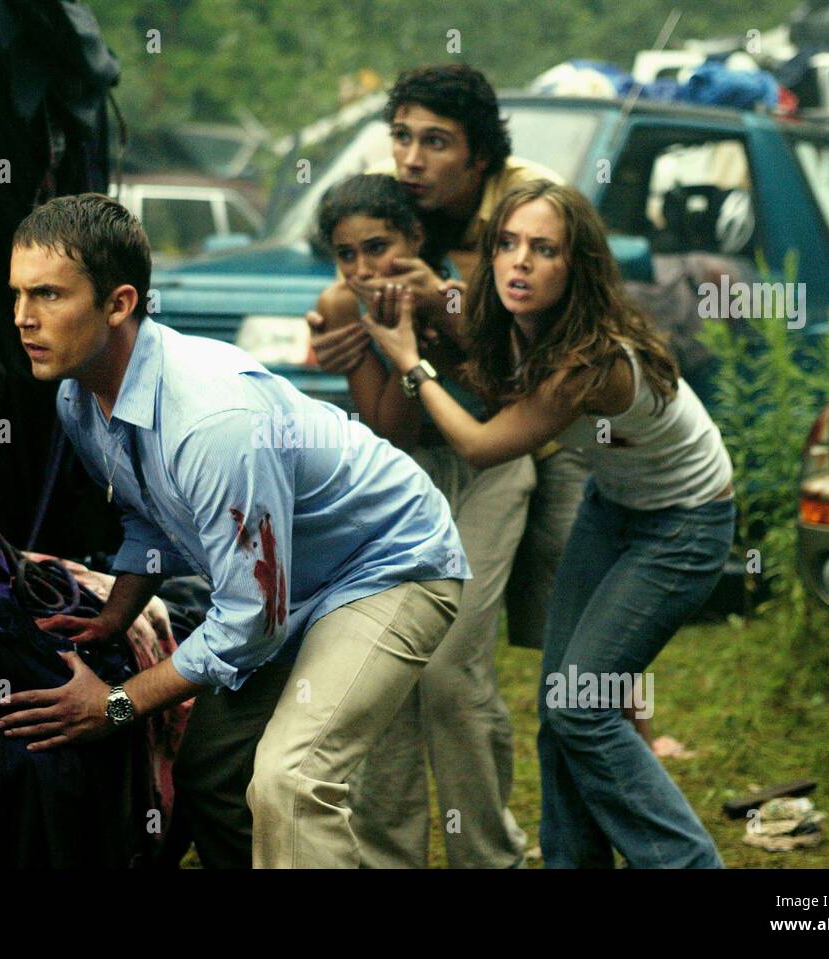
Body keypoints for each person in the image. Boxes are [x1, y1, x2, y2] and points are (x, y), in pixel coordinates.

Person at [0, 192, 469, 869]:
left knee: (292, 780)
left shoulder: (213, 421)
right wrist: (113, 616)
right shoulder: (78, 394)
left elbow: (250, 622)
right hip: (284, 586)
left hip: (389, 563)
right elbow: (147, 513)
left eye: (46, 294)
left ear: (119, 303)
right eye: (16, 294)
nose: (22, 317)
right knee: (214, 775)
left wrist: (120, 702)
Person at [360, 178, 733, 869]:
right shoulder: (526, 323)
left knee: (583, 707)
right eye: (507, 244)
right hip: (614, 508)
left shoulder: (588, 362)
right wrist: (428, 291)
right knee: (561, 704)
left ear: (576, 265)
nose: (518, 262)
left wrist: (410, 361)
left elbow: (481, 441)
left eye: (543, 249)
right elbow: (490, 360)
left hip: (685, 524)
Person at [308, 64, 584, 869]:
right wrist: (367, 336)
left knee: (471, 668)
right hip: (410, 475)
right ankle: (389, 853)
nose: (413, 157)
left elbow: (521, 372)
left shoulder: (525, 209)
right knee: (390, 668)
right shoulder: (378, 247)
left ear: (477, 153)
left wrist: (441, 306)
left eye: (435, 141)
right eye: (401, 137)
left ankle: (492, 854)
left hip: (515, 450)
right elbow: (387, 420)